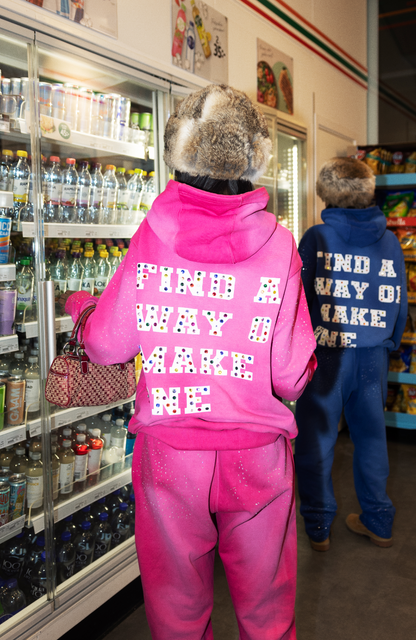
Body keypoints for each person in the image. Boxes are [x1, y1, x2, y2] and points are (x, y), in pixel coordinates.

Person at [65, 84, 316, 640]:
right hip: (257, 457)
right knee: (267, 613)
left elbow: (106, 345)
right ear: (254, 157)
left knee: (177, 611)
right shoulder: (279, 246)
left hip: (171, 459)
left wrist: (82, 308)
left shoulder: (152, 237)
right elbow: (291, 376)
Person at [295, 157, 407, 552]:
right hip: (372, 356)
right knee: (372, 438)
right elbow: (399, 298)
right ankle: (378, 521)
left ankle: (319, 526)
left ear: (326, 192)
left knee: (317, 439)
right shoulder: (390, 241)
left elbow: (299, 297)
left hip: (326, 355)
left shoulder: (315, 237)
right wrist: (388, 340)